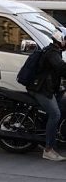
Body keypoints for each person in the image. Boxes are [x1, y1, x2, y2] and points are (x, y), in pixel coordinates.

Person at [26, 26, 66, 161]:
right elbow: (61, 67)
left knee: (62, 104)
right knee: (55, 114)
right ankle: (48, 149)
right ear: (61, 39)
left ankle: (54, 137)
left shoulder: (56, 51)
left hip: (47, 88)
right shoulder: (52, 53)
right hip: (40, 89)